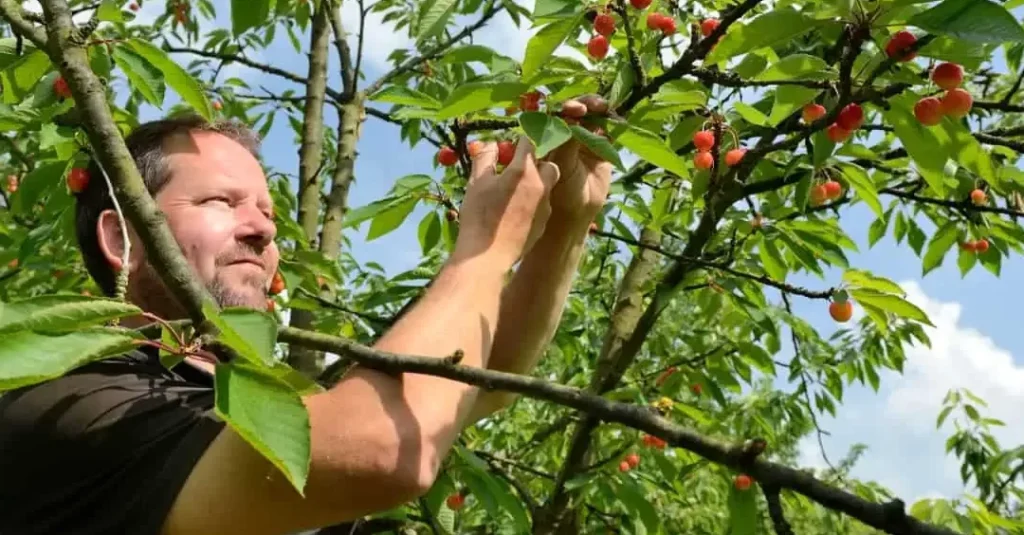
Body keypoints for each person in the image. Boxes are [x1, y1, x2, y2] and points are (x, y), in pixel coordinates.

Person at [0, 95, 613, 534]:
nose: (263, 229)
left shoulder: (251, 404)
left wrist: (566, 227)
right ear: (120, 238)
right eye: (221, 200)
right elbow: (389, 446)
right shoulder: (72, 400)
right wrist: (485, 247)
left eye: (267, 210)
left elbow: (483, 378)